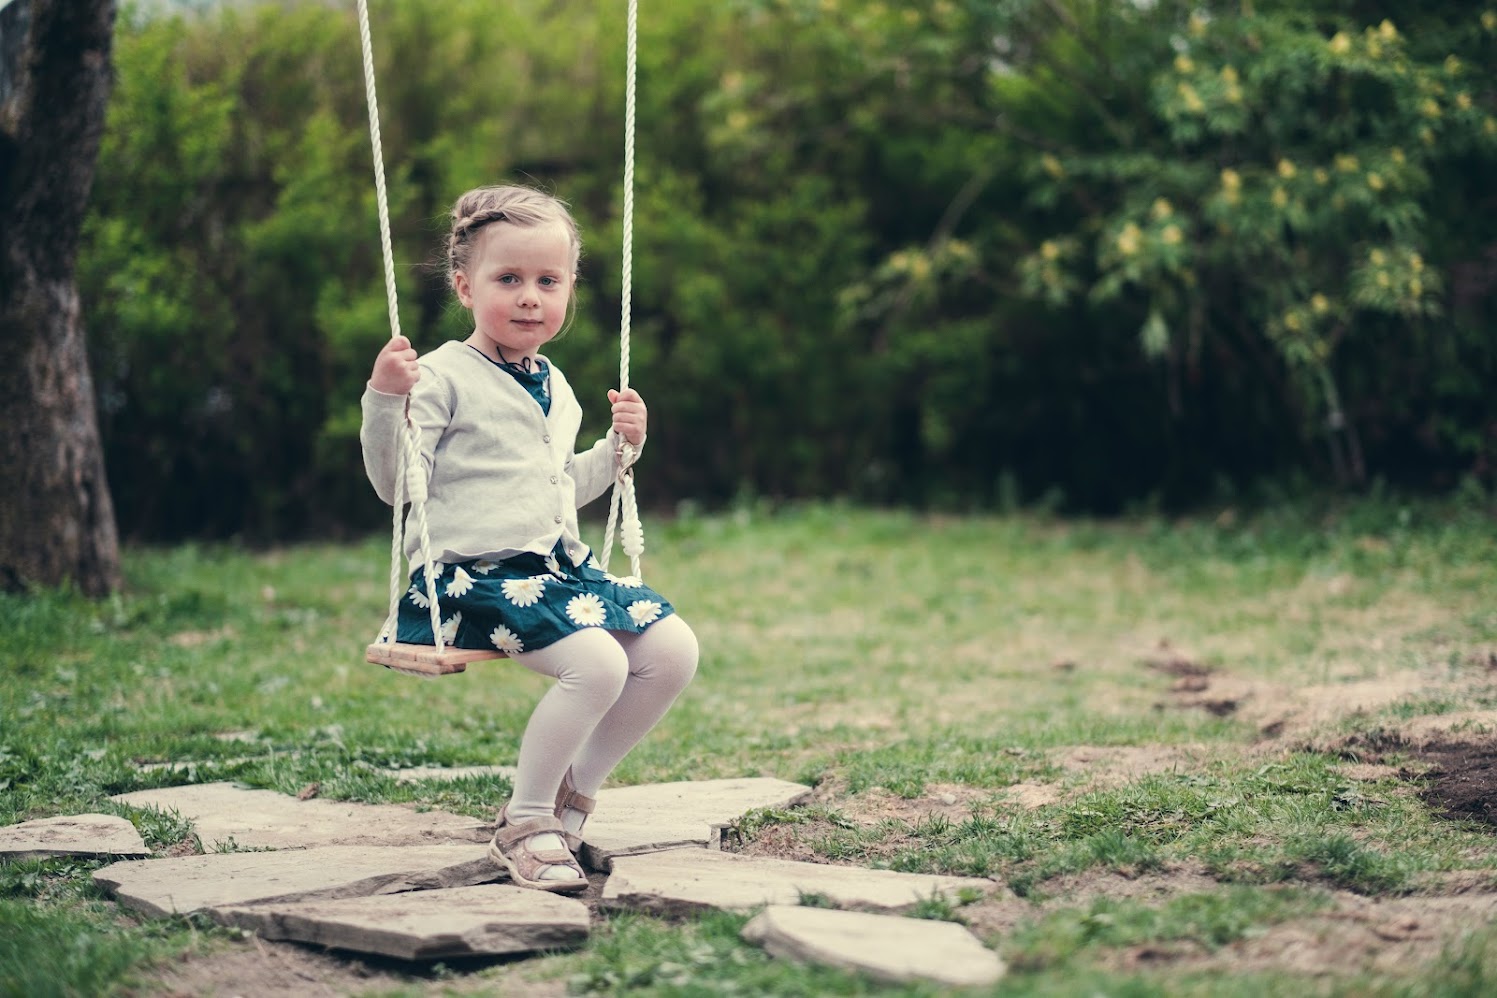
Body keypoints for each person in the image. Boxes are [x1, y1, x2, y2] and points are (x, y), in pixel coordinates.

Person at [360, 184, 698, 892]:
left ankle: (575, 794)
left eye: (548, 281)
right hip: (472, 576)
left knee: (671, 651)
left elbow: (554, 492)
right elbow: (398, 488)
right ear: (464, 286)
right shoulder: (443, 376)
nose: (529, 297)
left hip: (551, 568)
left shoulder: (557, 384)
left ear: (569, 287)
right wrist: (386, 399)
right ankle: (526, 819)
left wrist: (615, 452)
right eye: (507, 279)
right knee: (599, 666)